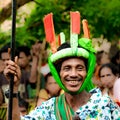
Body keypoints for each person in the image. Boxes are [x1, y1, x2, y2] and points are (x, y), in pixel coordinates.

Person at [4, 12, 120, 120]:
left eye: (79, 68)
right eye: (67, 68)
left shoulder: (105, 105)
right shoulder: (49, 108)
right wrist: (13, 87)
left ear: (87, 72)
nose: (73, 74)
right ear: (58, 73)